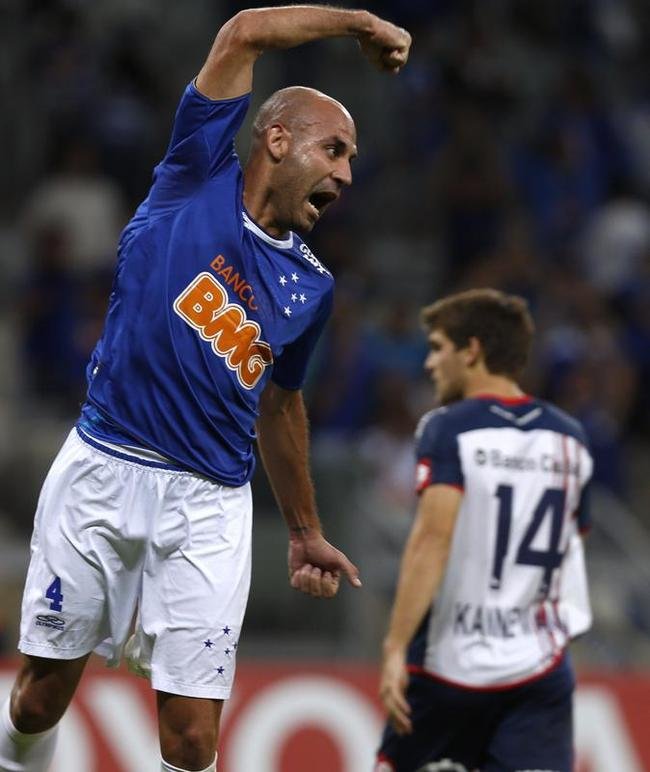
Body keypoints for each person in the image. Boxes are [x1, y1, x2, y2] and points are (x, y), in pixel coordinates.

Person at [0, 7, 411, 772]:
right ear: (276, 140)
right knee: (37, 701)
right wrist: (356, 22)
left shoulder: (312, 288)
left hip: (210, 507)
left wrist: (303, 529)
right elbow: (244, 32)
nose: (346, 175)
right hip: (103, 470)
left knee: (192, 741)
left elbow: (281, 407)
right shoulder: (196, 174)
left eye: (352, 161)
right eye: (334, 150)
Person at [376, 289, 593, 772]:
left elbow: (432, 539)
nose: (430, 363)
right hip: (539, 667)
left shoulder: (449, 427)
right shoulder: (570, 438)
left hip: (451, 665)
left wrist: (394, 647)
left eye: (438, 347)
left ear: (471, 350)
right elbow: (574, 545)